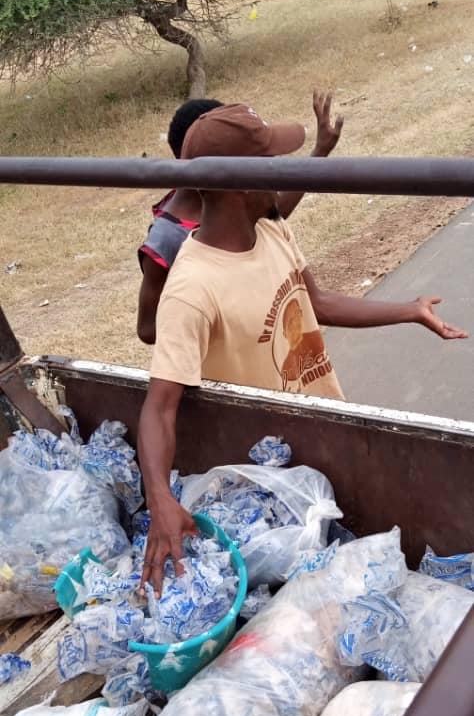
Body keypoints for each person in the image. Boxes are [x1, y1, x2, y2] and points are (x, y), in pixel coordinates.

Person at [138, 103, 468, 594]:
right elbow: (159, 407)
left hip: (327, 429)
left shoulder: (270, 230)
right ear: (241, 184)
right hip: (280, 483)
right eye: (274, 161)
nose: (285, 170)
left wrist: (409, 310)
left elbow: (315, 302)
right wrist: (160, 497)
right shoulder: (192, 288)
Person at [136, 92, 344, 344]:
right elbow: (147, 329)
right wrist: (216, 312)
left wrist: (319, 153)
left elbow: (271, 216)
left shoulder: (228, 201)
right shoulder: (167, 237)